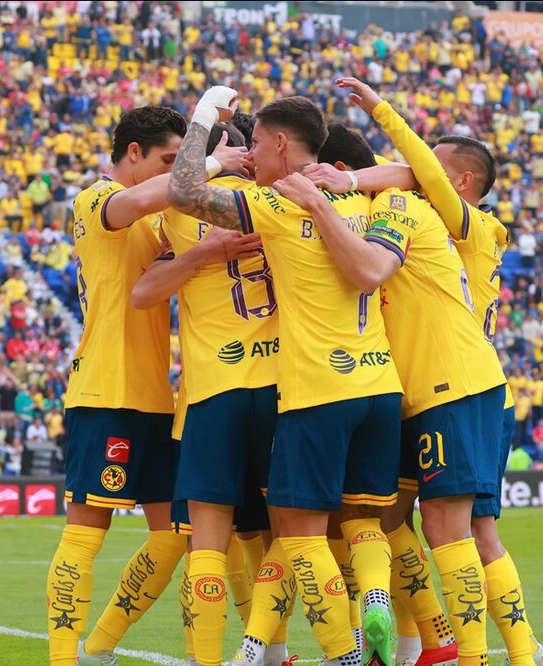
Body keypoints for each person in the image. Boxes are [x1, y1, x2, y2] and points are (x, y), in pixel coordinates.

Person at [306, 77, 543, 666]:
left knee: (449, 529)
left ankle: (483, 655)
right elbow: (409, 175)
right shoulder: (436, 219)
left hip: (454, 383)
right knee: (419, 524)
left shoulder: (473, 224)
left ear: (459, 182)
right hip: (448, 386)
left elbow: (417, 175)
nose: (409, 172)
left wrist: (381, 115)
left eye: (429, 168)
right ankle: (492, 648)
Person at [168, 88, 402, 666]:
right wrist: (349, 183)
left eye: (257, 147)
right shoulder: (372, 198)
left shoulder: (273, 205)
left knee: (298, 533)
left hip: (310, 389)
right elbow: (416, 173)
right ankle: (373, 601)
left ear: (277, 143)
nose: (254, 159)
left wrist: (203, 124)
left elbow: (183, 191)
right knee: (362, 520)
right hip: (380, 382)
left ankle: (340, 651)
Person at [48, 105, 247, 666]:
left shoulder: (160, 220)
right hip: (106, 389)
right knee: (88, 528)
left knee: (173, 535)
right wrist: (207, 160)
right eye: (168, 159)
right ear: (133, 154)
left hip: (159, 397)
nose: (177, 171)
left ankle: (100, 645)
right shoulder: (95, 199)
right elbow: (138, 200)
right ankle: (62, 659)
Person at [132, 121, 287, 666]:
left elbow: (143, 293)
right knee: (283, 537)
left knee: (208, 544)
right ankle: (274, 652)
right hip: (282, 388)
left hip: (213, 392)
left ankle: (210, 661)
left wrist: (196, 255)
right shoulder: (277, 198)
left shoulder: (180, 209)